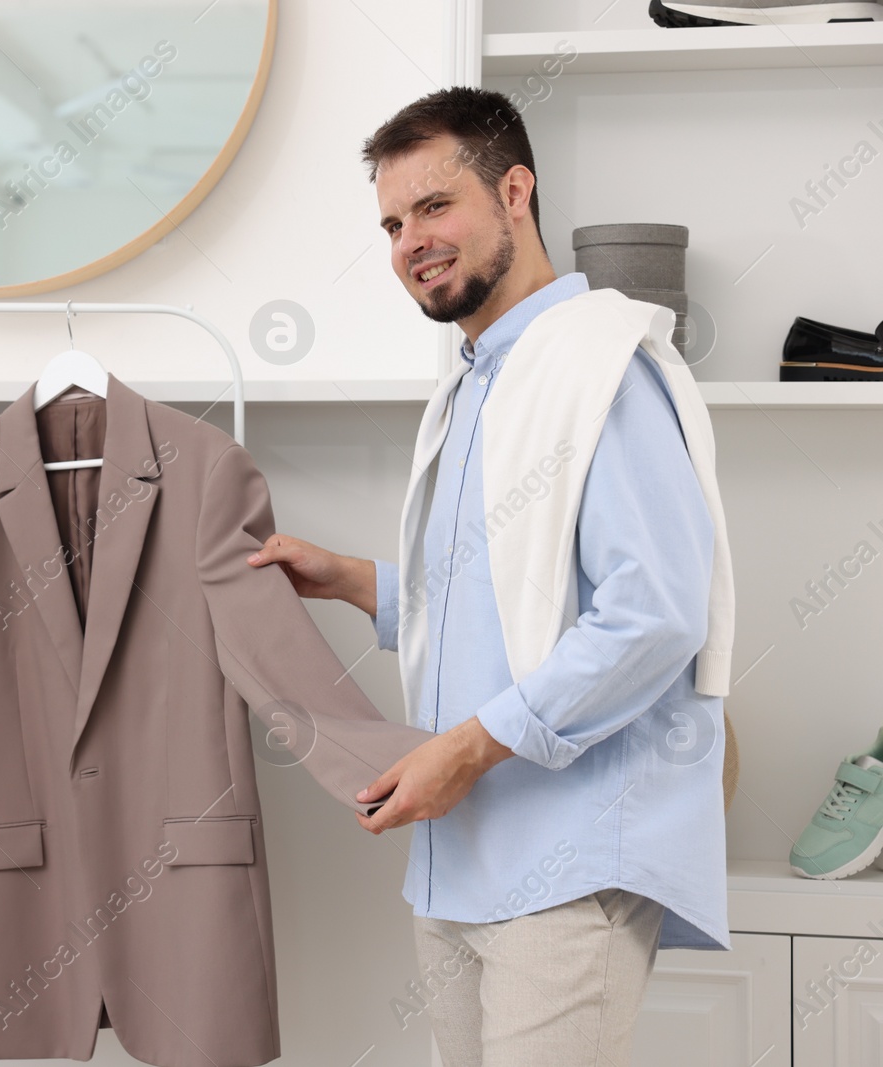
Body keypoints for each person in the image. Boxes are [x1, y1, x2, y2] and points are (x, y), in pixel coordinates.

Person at [246, 87, 730, 1066]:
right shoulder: (478, 380)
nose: (409, 240)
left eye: (434, 206)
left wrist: (463, 750)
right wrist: (350, 578)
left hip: (564, 860)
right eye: (390, 222)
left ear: (515, 191)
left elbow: (654, 613)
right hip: (461, 859)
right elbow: (499, 603)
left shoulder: (600, 370)